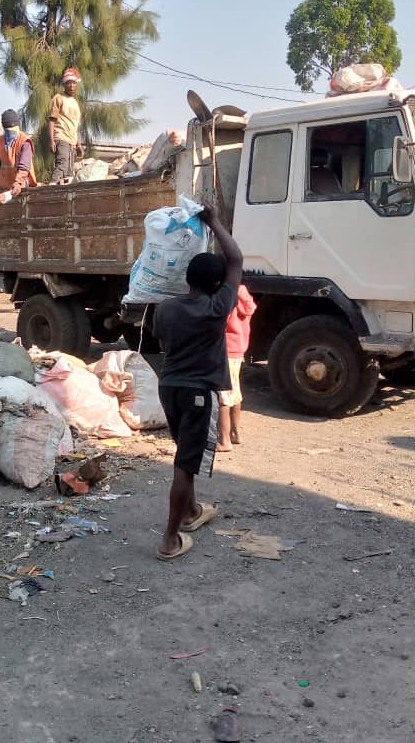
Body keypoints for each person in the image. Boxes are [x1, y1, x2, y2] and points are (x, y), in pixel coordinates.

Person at [151, 201, 243, 561]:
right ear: (217, 284)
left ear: (187, 278)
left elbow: (162, 342)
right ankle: (169, 539)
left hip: (169, 387)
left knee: (182, 453)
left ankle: (190, 512)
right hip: (197, 394)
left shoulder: (166, 308)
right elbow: (236, 259)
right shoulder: (217, 307)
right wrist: (216, 223)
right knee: (185, 466)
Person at [216, 285, 256, 451]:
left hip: (225, 348)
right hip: (238, 348)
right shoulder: (242, 291)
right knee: (234, 391)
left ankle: (224, 440)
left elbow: (219, 322)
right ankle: (235, 433)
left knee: (223, 395)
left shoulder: (225, 294)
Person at [0, 109, 36, 213]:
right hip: (5, 182)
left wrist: (18, 183)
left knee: (4, 196)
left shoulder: (24, 142)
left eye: (13, 130)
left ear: (18, 127)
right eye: (9, 130)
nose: (11, 133)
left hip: (23, 180)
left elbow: (24, 167)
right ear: (4, 129)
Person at [48, 67, 83, 183]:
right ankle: (51, 192)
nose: (71, 86)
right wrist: (52, 140)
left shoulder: (75, 102)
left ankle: (63, 197)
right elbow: (52, 120)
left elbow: (74, 126)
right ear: (64, 84)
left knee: (69, 172)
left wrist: (78, 144)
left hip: (72, 142)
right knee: (62, 166)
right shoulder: (58, 98)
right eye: (69, 83)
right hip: (61, 138)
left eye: (74, 83)